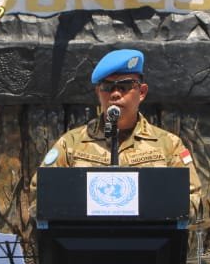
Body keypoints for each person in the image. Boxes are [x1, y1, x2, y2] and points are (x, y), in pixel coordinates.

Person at [40, 48, 200, 210]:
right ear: (98, 92)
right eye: (107, 87)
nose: (115, 94)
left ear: (142, 92)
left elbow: (193, 196)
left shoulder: (169, 145)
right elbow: (40, 191)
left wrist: (154, 209)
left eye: (124, 86)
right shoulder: (72, 144)